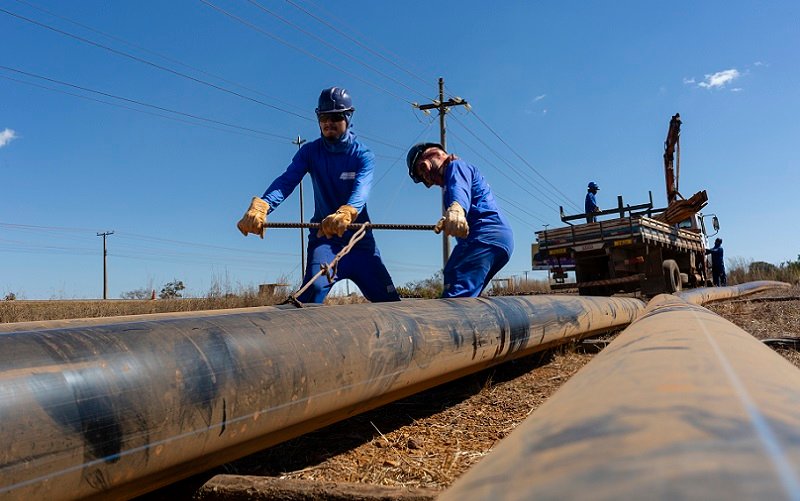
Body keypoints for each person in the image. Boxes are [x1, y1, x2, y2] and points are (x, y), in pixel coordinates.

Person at [236, 87, 400, 303]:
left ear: (348, 117)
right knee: (307, 301)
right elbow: (287, 181)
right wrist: (263, 206)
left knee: (391, 305)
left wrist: (347, 213)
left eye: (335, 117)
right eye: (323, 117)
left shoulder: (363, 155)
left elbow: (362, 190)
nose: (328, 123)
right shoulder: (310, 152)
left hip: (360, 243)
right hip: (325, 240)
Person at [406, 142, 514, 298]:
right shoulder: (454, 178)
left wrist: (456, 209)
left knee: (456, 292)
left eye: (423, 168)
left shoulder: (456, 167)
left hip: (483, 236)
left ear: (436, 154)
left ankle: (448, 322)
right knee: (469, 298)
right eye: (423, 178)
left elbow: (459, 188)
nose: (427, 178)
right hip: (498, 239)